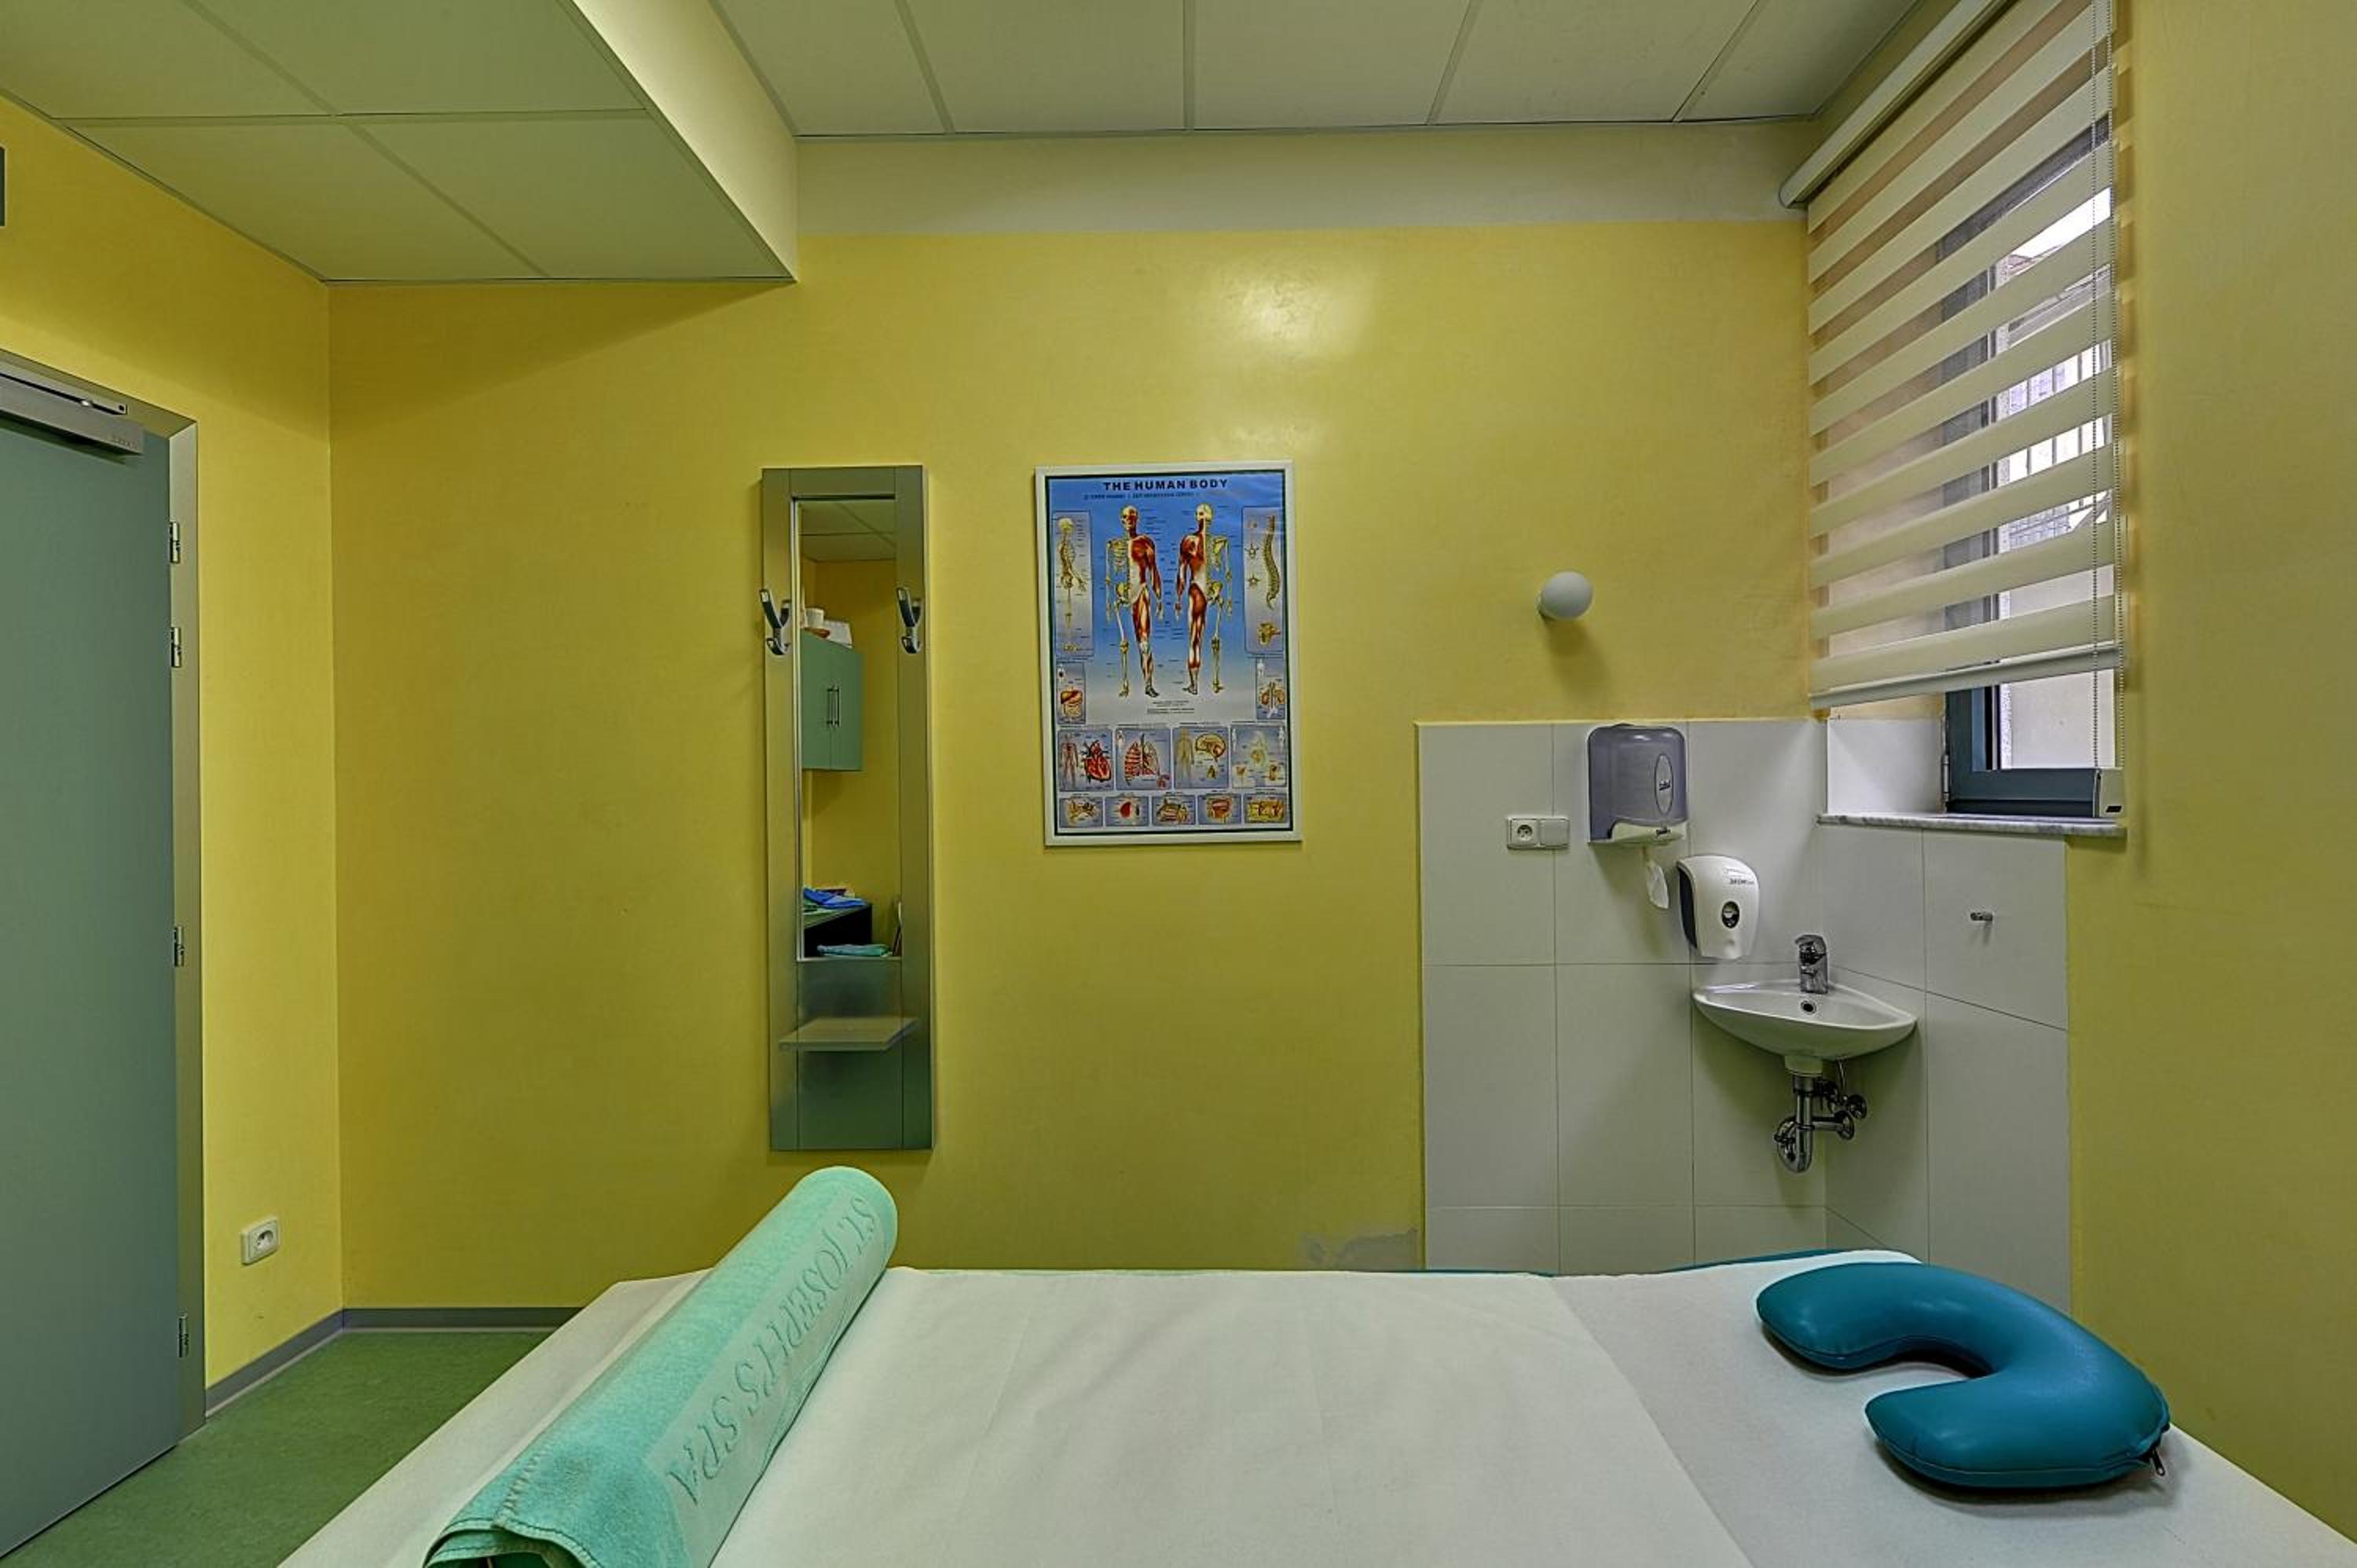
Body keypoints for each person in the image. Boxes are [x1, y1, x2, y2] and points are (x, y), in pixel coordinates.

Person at [1118, 504, 1163, 698]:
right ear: (1122, 520)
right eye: (1126, 517)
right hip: (1125, 597)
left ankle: (1148, 685)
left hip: (1141, 593)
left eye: (1132, 517)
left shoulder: (1145, 542)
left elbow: (1153, 571)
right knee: (1132, 643)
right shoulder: (1117, 545)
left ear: (1137, 519)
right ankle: (1131, 685)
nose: (1129, 520)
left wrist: (1159, 598)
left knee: (1144, 642)